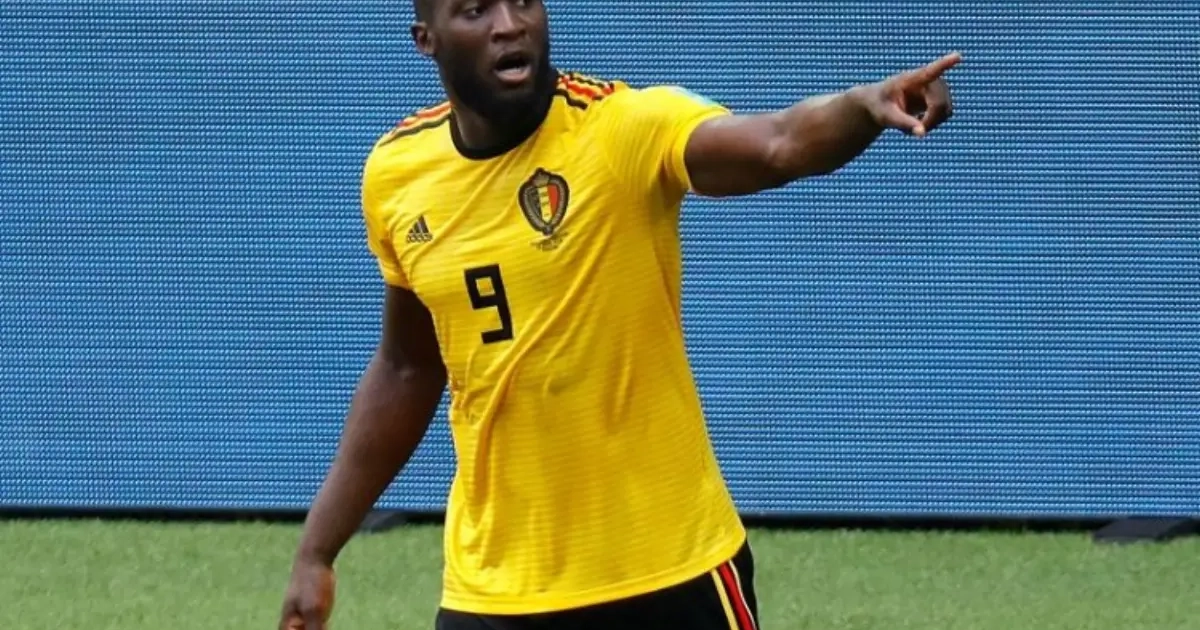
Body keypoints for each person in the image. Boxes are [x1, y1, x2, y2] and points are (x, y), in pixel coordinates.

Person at [277, 0, 959, 628]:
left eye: (524, 2)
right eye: (476, 10)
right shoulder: (398, 174)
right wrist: (316, 551)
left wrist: (863, 106)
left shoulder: (621, 128)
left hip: (670, 573)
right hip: (495, 591)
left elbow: (778, 143)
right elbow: (407, 368)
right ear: (426, 40)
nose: (510, 24)